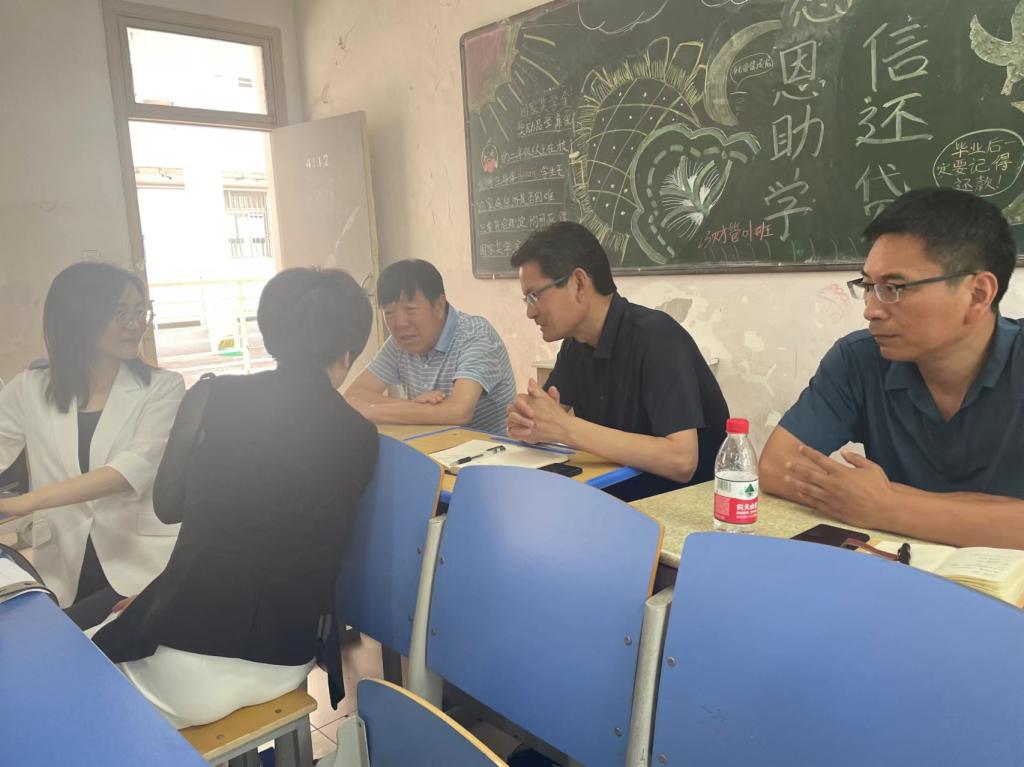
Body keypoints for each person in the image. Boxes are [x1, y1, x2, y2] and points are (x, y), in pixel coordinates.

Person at [92, 267, 379, 728]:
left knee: (65, 678)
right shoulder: (361, 436)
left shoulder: (212, 396)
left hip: (186, 662)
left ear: (270, 335)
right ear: (348, 353)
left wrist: (167, 592)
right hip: (289, 658)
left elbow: (169, 506)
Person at [760, 188, 1024, 548]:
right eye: (868, 286)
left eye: (894, 287)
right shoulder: (860, 358)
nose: (871, 309)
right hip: (897, 568)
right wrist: (986, 516)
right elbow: (777, 467)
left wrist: (887, 506)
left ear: (977, 294)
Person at [0, 262, 184, 629]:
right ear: (79, 316)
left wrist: (24, 502)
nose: (136, 324)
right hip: (62, 564)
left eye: (140, 311)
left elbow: (131, 470)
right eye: (121, 313)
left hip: (140, 561)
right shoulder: (29, 388)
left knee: (65, 640)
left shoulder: (163, 387)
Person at [507, 222, 729, 500]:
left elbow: (682, 460)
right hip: (617, 494)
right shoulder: (576, 344)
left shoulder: (657, 338)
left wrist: (565, 428)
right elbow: (549, 416)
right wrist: (529, 420)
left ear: (578, 283)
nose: (530, 313)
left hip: (686, 506)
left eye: (534, 296)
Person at [346, 259, 516, 434]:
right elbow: (354, 396)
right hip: (431, 445)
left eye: (410, 309)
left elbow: (459, 411)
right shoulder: (399, 344)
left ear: (439, 306)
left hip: (488, 448)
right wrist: (415, 406)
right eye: (389, 313)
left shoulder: (476, 335)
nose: (400, 323)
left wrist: (372, 411)